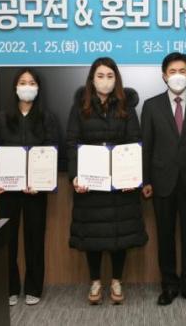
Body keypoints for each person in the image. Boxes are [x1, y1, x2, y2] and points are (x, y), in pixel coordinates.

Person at [66, 57, 148, 305]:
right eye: (100, 76)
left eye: (110, 76)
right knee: (92, 235)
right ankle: (95, 281)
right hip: (90, 184)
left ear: (116, 80)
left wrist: (132, 176)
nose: (105, 81)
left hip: (121, 184)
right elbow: (71, 143)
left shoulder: (126, 106)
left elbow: (135, 141)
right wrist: (75, 176)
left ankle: (116, 280)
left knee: (119, 236)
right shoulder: (79, 107)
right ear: (92, 79)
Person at [141, 52, 186, 307]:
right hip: (161, 182)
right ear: (164, 76)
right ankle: (169, 286)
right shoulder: (151, 106)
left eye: (182, 71)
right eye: (172, 71)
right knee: (165, 237)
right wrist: (146, 180)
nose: (177, 76)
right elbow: (146, 147)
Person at [0, 68, 59, 307]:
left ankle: (34, 287)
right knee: (8, 240)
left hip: (35, 191)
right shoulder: (1, 118)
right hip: (6, 190)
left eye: (32, 82)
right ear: (15, 87)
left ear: (38, 88)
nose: (27, 86)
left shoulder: (47, 118)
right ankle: (10, 288)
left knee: (35, 239)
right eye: (23, 82)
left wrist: (43, 184)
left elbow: (52, 153)